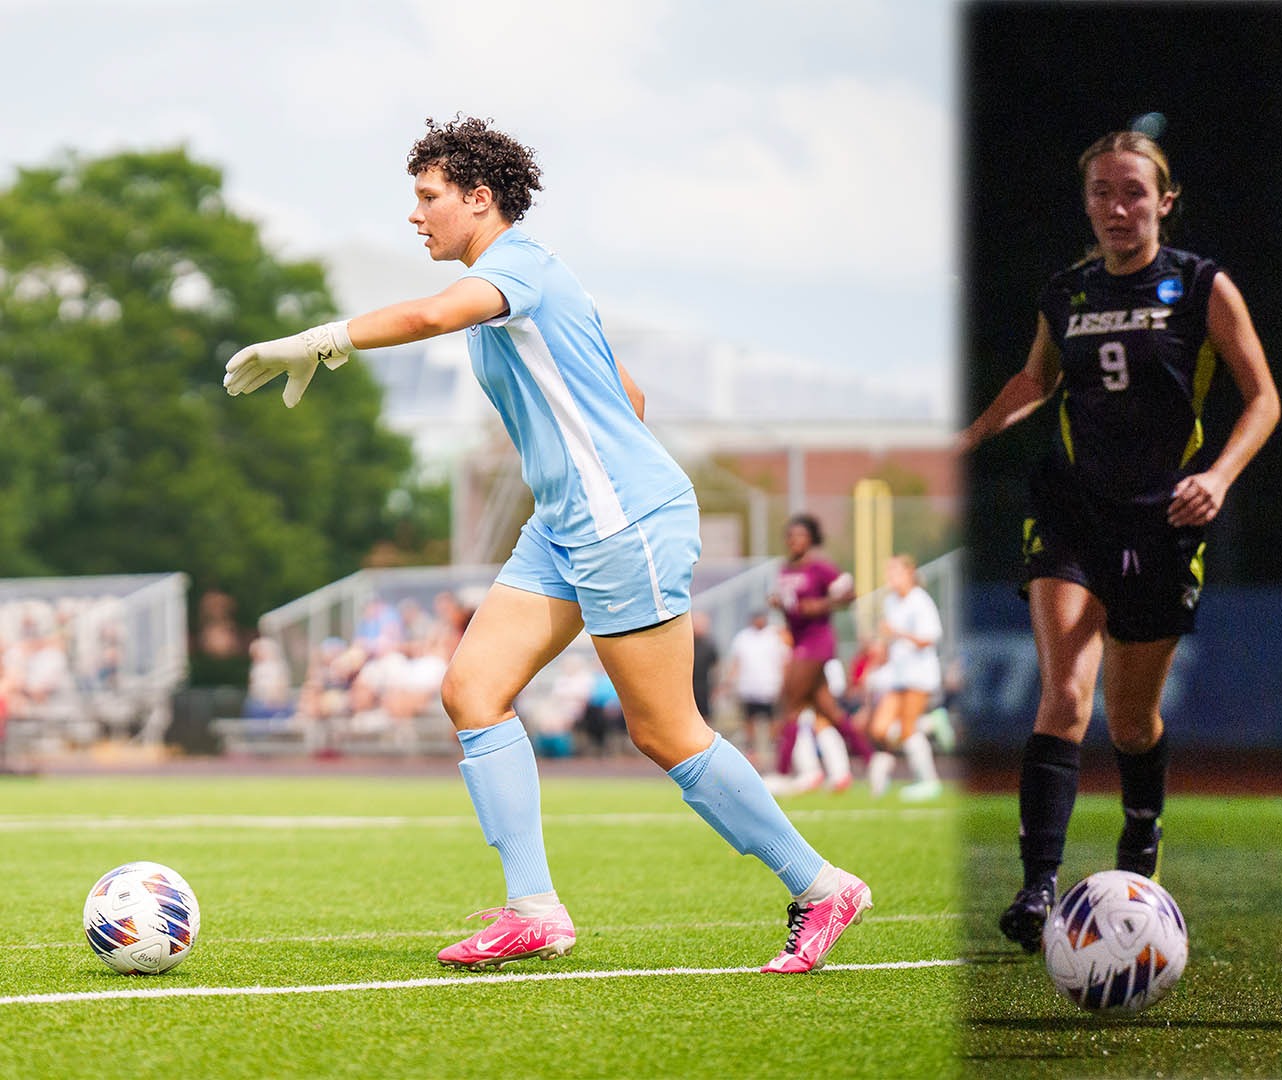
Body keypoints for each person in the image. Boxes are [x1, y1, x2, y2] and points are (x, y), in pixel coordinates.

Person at [222, 117, 870, 974]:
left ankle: (822, 887)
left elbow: (424, 315)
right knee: (472, 689)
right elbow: (625, 396)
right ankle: (534, 910)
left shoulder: (518, 267)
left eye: (428, 198)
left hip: (620, 525)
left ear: (479, 199)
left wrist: (320, 338)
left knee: (666, 732)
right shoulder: (518, 289)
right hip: (565, 526)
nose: (415, 216)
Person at [958, 130, 1280, 951]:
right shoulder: (1066, 292)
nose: (1116, 207)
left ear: (1164, 202)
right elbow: (1038, 380)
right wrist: (963, 440)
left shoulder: (1201, 285)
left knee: (1130, 720)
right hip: (1071, 509)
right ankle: (1037, 888)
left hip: (1160, 519)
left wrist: (1219, 477)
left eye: (1133, 191)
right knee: (1063, 694)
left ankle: (1141, 833)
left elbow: (1264, 399)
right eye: (1101, 192)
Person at [769, 513, 865, 792]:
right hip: (798, 643)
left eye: (800, 536)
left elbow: (850, 594)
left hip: (816, 643)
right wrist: (778, 604)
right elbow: (792, 606)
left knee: (791, 704)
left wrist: (822, 604)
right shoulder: (784, 570)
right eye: (790, 536)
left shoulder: (820, 568)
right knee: (829, 713)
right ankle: (873, 759)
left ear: (811, 539)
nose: (794, 541)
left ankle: (783, 772)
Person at [866, 555, 945, 799]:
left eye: (895, 573)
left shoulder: (920, 601)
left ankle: (929, 781)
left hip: (919, 673)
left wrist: (898, 633)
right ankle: (931, 724)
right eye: (889, 573)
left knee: (908, 728)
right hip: (898, 674)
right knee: (879, 729)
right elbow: (891, 641)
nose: (891, 578)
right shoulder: (890, 601)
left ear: (909, 573)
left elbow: (929, 638)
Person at [724, 610, 789, 766]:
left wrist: (784, 684)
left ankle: (773, 748)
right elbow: (736, 662)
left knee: (773, 720)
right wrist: (729, 682)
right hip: (749, 687)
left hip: (770, 686)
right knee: (749, 721)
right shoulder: (743, 638)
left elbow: (784, 661)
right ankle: (752, 751)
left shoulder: (774, 637)